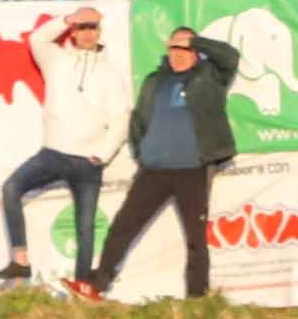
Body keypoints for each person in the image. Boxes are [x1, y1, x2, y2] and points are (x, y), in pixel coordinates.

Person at [83, 27, 240, 302]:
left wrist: (194, 40)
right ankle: (97, 285)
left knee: (195, 238)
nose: (178, 56)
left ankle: (197, 298)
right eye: (174, 49)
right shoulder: (155, 80)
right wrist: (143, 152)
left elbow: (229, 56)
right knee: (123, 226)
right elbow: (139, 121)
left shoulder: (210, 76)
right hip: (153, 170)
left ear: (195, 52)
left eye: (184, 50)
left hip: (193, 169)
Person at [0, 5, 122, 287]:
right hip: (53, 153)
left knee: (86, 228)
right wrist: (66, 19)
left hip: (88, 162)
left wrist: (102, 155)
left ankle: (82, 286)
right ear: (73, 32)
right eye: (81, 27)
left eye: (92, 27)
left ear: (99, 32)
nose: (87, 32)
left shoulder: (111, 74)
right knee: (10, 189)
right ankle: (20, 261)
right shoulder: (56, 59)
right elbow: (37, 39)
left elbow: (120, 119)